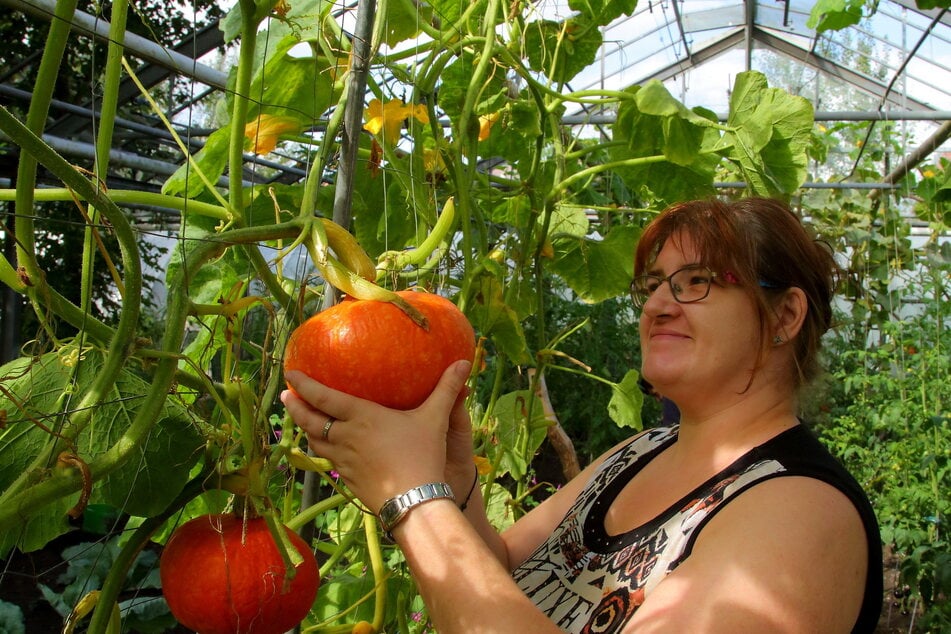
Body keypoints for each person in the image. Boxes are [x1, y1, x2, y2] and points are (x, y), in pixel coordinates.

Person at [282, 197, 883, 633]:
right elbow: (500, 568)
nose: (658, 305)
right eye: (651, 285)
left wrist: (411, 499)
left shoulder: (802, 511)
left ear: (785, 316)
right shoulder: (641, 452)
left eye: (696, 281)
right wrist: (450, 472)